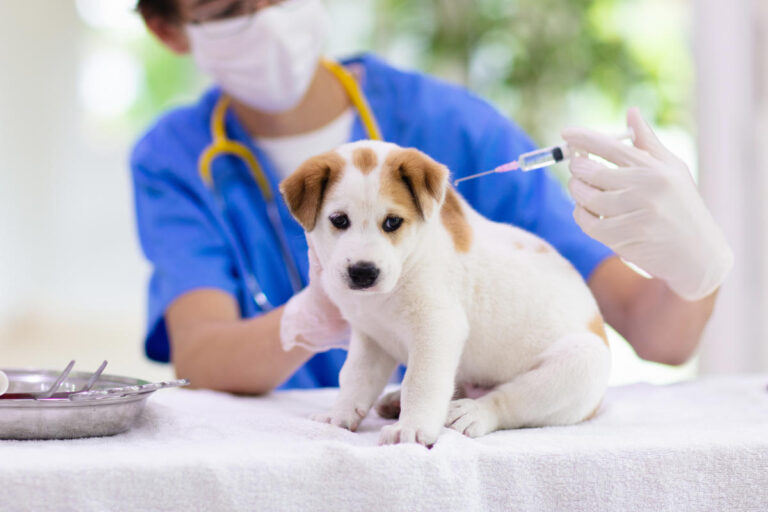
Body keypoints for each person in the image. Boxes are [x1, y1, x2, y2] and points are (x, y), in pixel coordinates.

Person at [132, 0, 733, 394]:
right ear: (168, 28)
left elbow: (660, 336)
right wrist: (307, 320)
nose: (269, 18)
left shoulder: (451, 128)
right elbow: (201, 356)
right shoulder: (176, 159)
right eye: (230, 8)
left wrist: (699, 266)